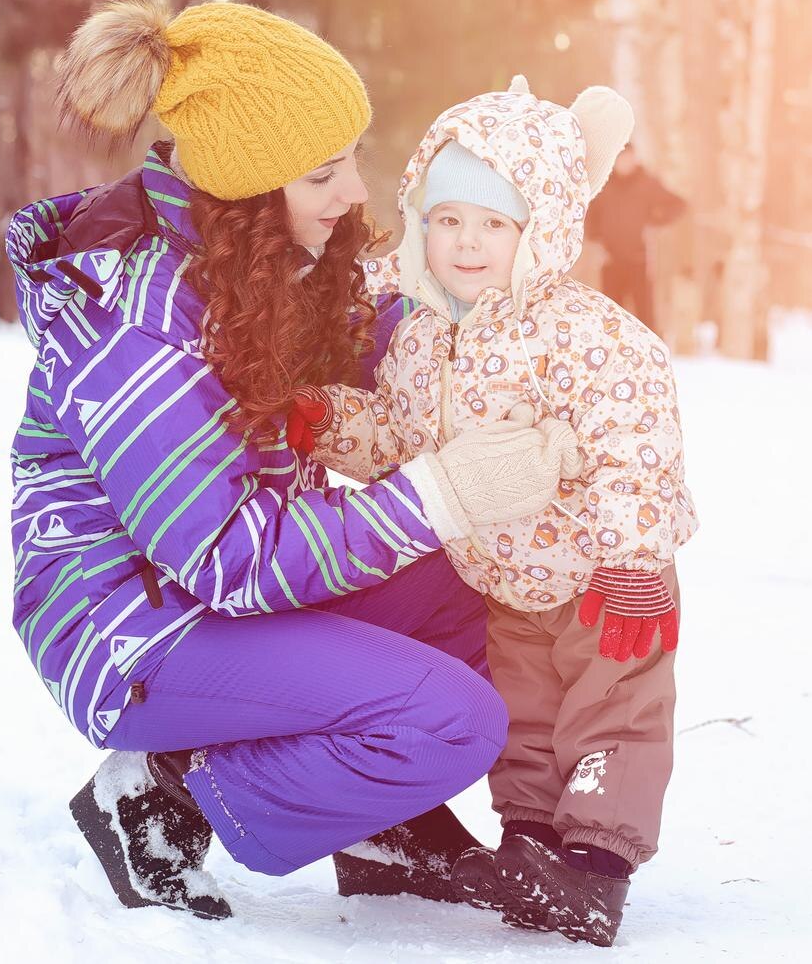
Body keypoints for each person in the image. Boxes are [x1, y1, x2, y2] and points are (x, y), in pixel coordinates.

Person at [5, 1, 583, 920]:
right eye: (323, 173)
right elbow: (230, 556)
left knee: (490, 574)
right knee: (453, 720)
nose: (353, 191)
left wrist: (481, 315)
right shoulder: (138, 323)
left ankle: (378, 818)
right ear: (246, 188)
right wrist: (440, 491)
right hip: (132, 630)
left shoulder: (255, 263)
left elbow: (372, 343)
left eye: (353, 157)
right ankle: (165, 790)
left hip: (219, 598)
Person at [291, 77, 699, 947]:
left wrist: (634, 560)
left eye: (493, 224)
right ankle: (533, 847)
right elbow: (401, 436)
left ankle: (594, 870)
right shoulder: (420, 336)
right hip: (510, 584)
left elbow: (638, 442)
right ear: (422, 225)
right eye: (448, 220)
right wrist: (333, 422)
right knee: (527, 723)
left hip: (605, 582)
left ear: (538, 231)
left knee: (612, 717)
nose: (467, 242)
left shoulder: (586, 334)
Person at [584, 145, 685, 330]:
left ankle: (649, 347)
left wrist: (655, 222)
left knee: (645, 315)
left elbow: (678, 204)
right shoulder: (604, 183)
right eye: (621, 158)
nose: (625, 163)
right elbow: (589, 215)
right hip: (610, 260)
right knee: (611, 316)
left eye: (629, 158)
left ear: (635, 159)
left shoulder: (646, 183)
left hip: (639, 259)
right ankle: (613, 347)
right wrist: (596, 241)